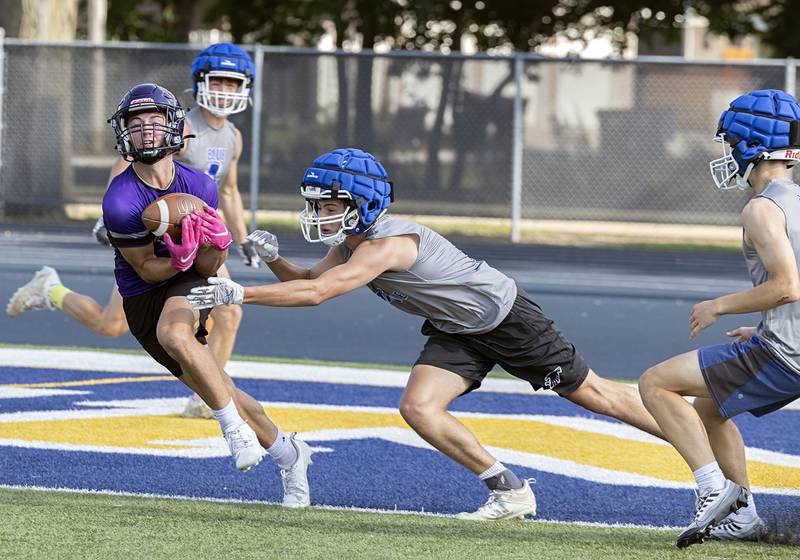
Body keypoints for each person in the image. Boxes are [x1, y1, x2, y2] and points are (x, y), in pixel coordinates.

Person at [187, 147, 665, 520]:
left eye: (329, 203)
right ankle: (509, 491)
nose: (318, 213)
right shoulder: (353, 241)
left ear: (362, 202)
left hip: (506, 319)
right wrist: (273, 260)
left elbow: (318, 296)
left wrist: (236, 294)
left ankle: (700, 453)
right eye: (315, 203)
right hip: (458, 328)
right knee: (418, 407)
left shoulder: (386, 245)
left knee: (597, 396)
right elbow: (309, 282)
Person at [6, 43, 260, 419]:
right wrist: (106, 213)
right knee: (111, 325)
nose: (225, 91)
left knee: (230, 312)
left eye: (233, 83)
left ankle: (206, 397)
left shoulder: (233, 137)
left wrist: (242, 237)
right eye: (218, 81)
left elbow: (229, 190)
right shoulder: (181, 124)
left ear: (244, 89)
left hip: (199, 240)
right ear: (200, 83)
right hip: (158, 243)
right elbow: (128, 160)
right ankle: (51, 289)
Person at [96, 82, 312, 506]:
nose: (146, 131)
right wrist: (179, 257)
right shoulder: (120, 199)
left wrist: (216, 246)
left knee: (175, 335)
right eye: (136, 123)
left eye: (155, 121)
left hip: (189, 277)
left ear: (174, 128)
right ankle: (290, 454)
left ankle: (232, 432)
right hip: (146, 289)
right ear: (124, 132)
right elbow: (145, 267)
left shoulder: (200, 186)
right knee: (222, 385)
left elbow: (209, 267)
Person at [638, 88, 800, 547]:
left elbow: (788, 285)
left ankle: (714, 489)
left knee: (655, 383)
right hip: (789, 342)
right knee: (710, 407)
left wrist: (718, 306)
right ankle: (743, 514)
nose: (729, 152)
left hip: (787, 354)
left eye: (730, 143)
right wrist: (767, 324)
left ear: (750, 144)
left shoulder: (761, 208)